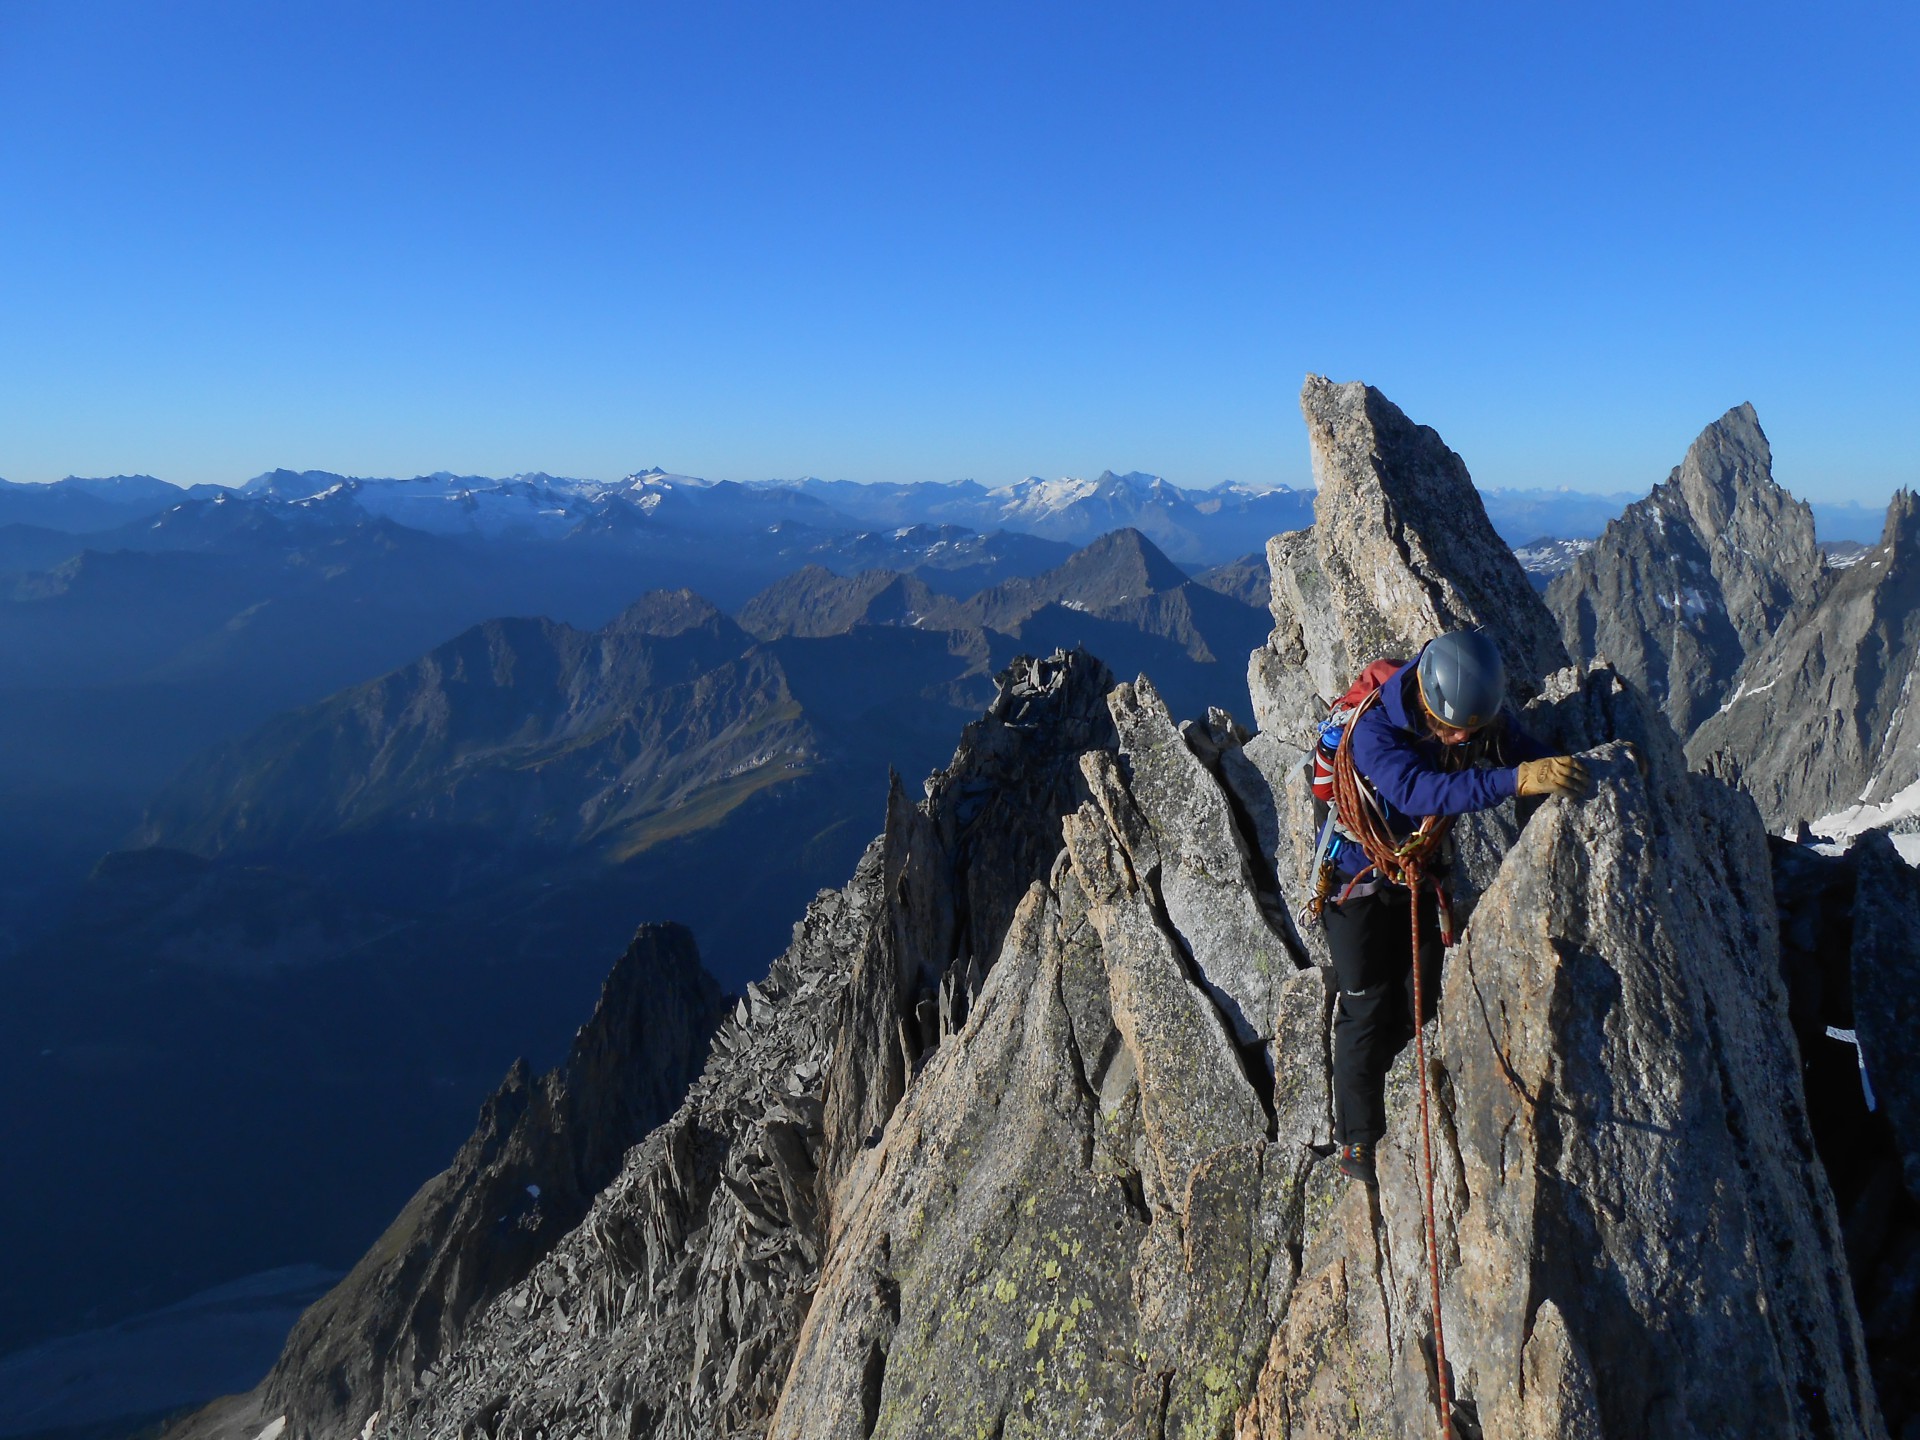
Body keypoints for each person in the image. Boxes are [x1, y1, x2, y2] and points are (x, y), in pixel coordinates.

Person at [1323, 629, 1589, 1186]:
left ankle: (1398, 1091)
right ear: (1426, 698)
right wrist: (1515, 782)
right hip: (1358, 880)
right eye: (1451, 730)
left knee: (1416, 999)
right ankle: (1356, 1137)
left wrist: (1547, 767)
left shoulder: (1465, 706)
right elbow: (1420, 793)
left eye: (1467, 732)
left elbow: (1515, 745)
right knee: (1367, 1002)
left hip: (1418, 872)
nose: (1458, 739)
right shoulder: (1373, 732)